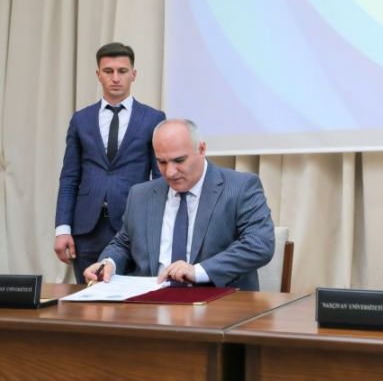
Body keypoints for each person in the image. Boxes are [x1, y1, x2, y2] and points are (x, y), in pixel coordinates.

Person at [83, 119, 275, 289]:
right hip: (148, 303)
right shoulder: (140, 195)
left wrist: (197, 271)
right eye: (162, 162)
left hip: (218, 302)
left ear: (201, 149)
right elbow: (124, 244)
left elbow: (259, 244)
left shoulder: (240, 187)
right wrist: (108, 263)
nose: (170, 172)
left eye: (179, 160)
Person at [54, 42, 166, 283]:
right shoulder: (81, 119)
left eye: (122, 71)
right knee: (87, 297)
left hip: (133, 227)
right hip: (86, 230)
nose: (115, 78)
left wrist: (159, 226)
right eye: (108, 71)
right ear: (98, 74)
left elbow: (160, 178)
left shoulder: (153, 118)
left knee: (131, 298)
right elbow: (69, 178)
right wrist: (62, 229)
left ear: (133, 74)